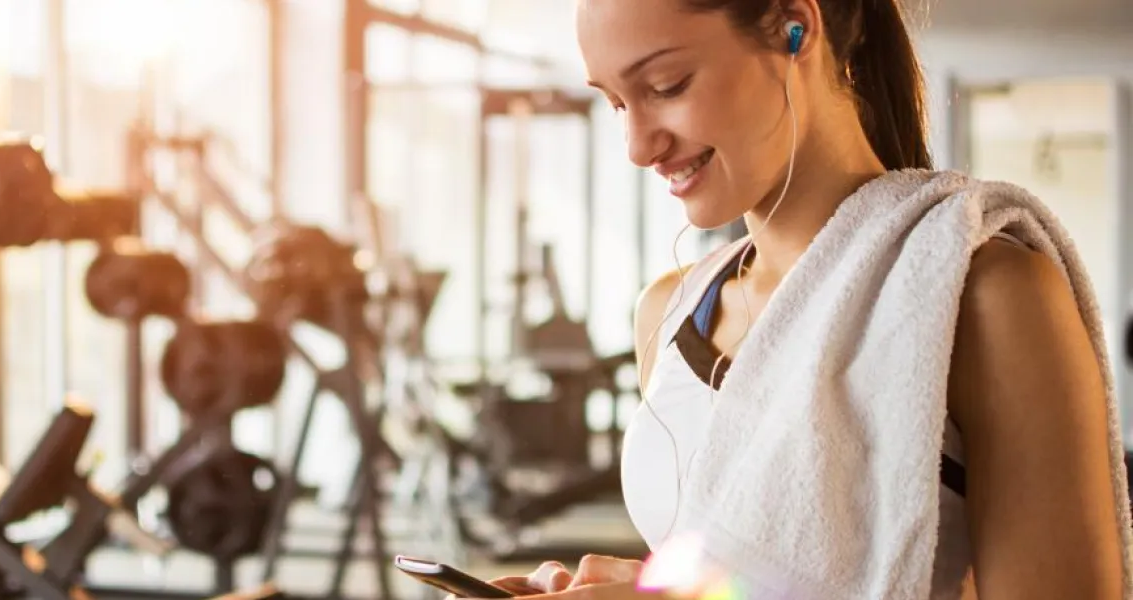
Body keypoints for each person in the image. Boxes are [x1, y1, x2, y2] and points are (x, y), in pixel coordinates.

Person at [460, 0, 1132, 598]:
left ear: (794, 28)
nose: (638, 146)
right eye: (615, 102)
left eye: (667, 86)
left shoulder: (986, 300)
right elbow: (739, 573)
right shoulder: (669, 315)